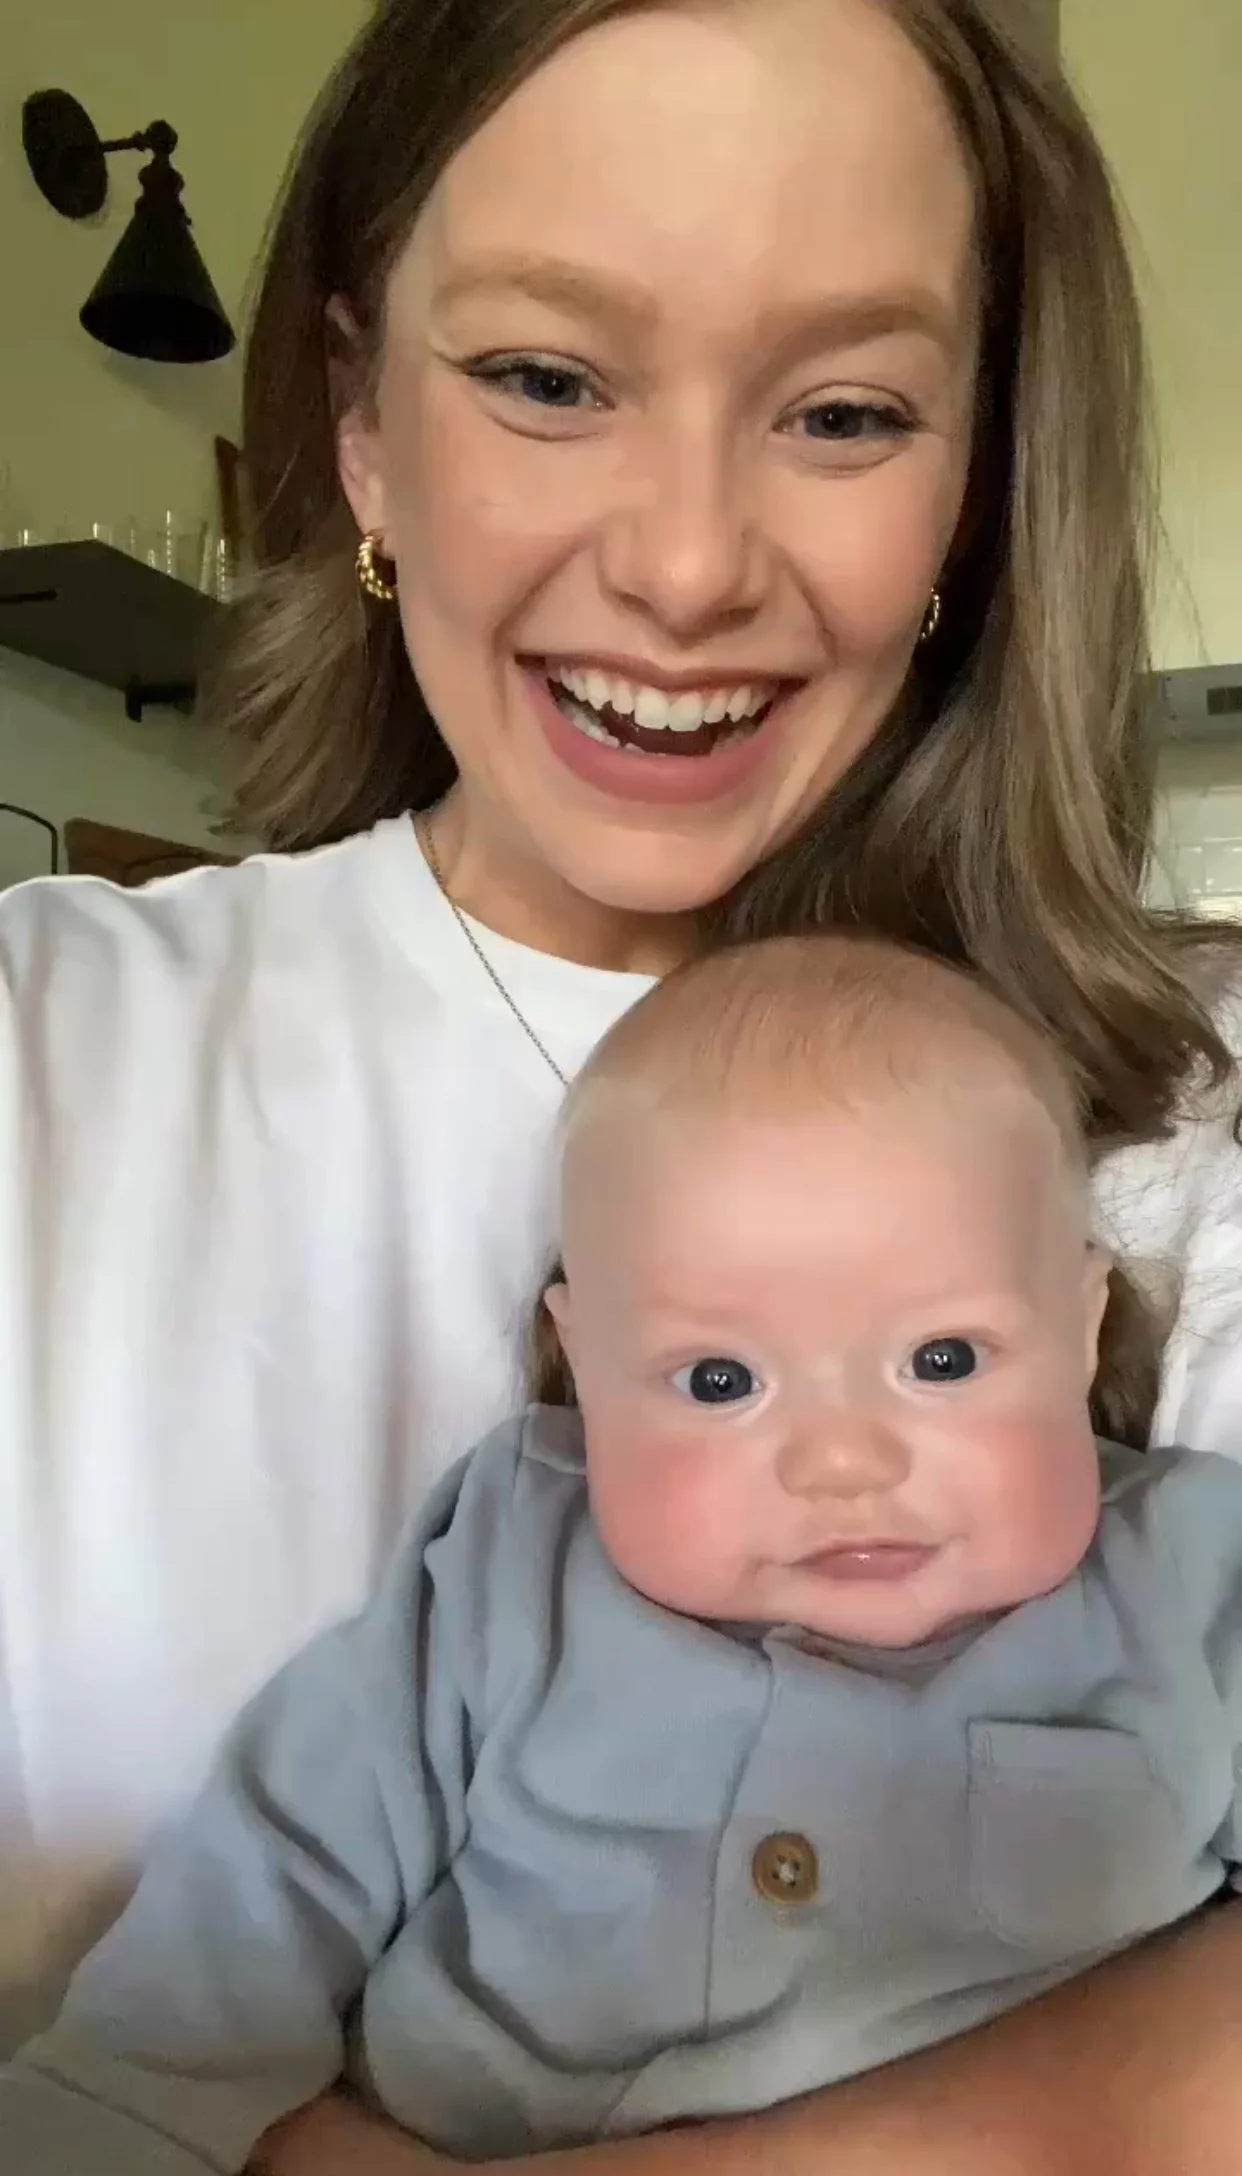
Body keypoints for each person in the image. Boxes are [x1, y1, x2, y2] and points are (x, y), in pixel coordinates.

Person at [1, 0, 1240, 2166]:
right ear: (362, 423)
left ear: (978, 473)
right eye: (547, 378)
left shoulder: (1199, 1131)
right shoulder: (49, 1057)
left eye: (847, 409)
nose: (684, 565)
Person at [7, 934, 1242, 2174]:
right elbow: (282, 1859)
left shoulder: (1189, 1577)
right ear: (585, 1365)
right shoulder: (510, 1562)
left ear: (1081, 1331)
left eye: (944, 1360)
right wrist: (118, 2108)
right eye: (722, 1379)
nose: (843, 1463)